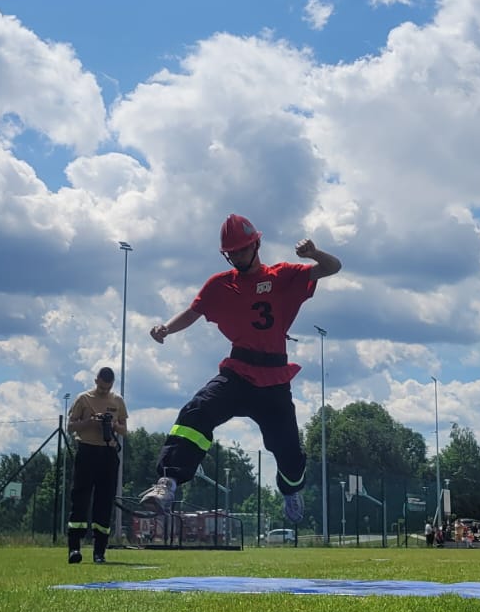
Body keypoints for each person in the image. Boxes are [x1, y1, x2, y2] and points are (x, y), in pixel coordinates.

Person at [139, 215, 342, 525]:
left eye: (241, 250)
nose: (236, 256)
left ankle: (291, 490)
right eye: (230, 253)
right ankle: (168, 481)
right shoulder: (220, 284)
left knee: (289, 450)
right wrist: (165, 328)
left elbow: (333, 267)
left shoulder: (283, 276)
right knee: (196, 411)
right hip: (237, 372)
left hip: (273, 379)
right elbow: (193, 312)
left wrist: (314, 252)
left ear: (256, 244)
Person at [65, 366, 128, 564]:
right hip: (87, 451)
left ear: (112, 385)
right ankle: (74, 548)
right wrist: (89, 422)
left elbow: (124, 430)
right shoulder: (83, 399)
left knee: (105, 501)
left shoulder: (117, 401)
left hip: (108, 453)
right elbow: (70, 427)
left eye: (107, 388)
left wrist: (113, 426)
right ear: (96, 381)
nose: (104, 391)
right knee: (80, 499)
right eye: (101, 388)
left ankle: (99, 551)